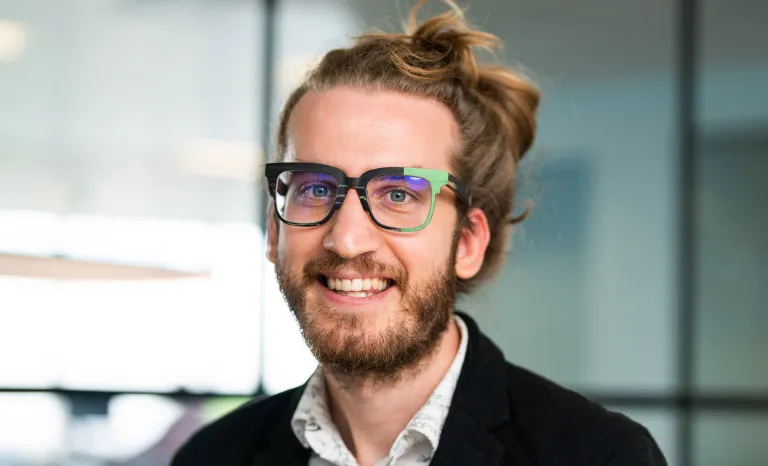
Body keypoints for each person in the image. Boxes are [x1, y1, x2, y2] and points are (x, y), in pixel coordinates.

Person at [172, 0, 667, 465]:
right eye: (316, 189)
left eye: (399, 194)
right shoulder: (214, 454)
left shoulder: (598, 456)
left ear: (468, 243)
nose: (346, 239)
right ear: (275, 231)